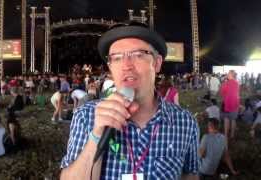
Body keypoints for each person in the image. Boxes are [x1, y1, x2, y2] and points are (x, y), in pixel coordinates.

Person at [60, 22, 199, 180]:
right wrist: (96, 135)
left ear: (157, 63)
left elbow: (190, 174)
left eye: (138, 54)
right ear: (111, 67)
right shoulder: (86, 116)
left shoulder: (185, 122)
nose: (126, 66)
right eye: (117, 58)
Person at [220, 70, 240, 140]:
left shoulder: (226, 83)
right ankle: (232, 135)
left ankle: (226, 135)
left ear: (231, 75)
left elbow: (222, 93)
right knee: (233, 119)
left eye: (228, 74)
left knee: (226, 119)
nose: (227, 75)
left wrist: (224, 81)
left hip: (227, 104)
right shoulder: (237, 83)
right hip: (235, 104)